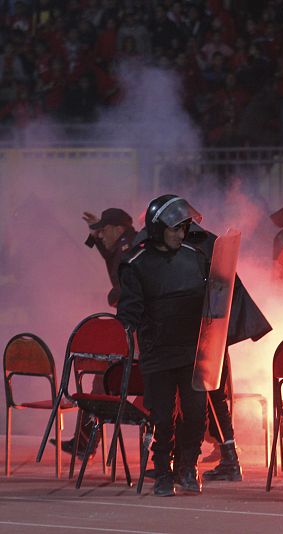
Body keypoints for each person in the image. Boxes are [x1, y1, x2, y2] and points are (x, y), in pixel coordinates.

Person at [116, 195, 210, 497]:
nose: (180, 235)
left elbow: (216, 298)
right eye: (174, 229)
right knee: (162, 416)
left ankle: (187, 466)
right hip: (158, 352)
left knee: (196, 414)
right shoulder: (136, 264)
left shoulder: (195, 257)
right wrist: (127, 329)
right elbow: (129, 309)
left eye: (183, 229)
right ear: (158, 229)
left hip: (191, 350)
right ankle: (163, 473)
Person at [181, 225, 272, 483]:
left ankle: (193, 459)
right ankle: (228, 458)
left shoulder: (193, 251)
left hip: (205, 334)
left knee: (206, 397)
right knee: (215, 397)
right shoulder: (209, 246)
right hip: (214, 333)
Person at [52, 208, 138, 458]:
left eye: (103, 230)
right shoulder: (126, 246)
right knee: (101, 380)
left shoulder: (130, 251)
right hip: (132, 330)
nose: (100, 235)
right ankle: (84, 442)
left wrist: (117, 294)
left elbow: (132, 286)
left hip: (139, 332)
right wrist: (93, 233)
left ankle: (85, 442)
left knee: (105, 380)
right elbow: (110, 257)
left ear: (119, 229)